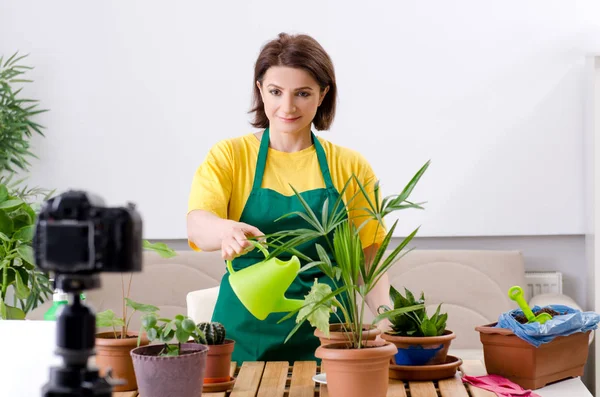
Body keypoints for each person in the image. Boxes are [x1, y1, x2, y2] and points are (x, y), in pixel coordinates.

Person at [187, 32, 391, 364]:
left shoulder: (349, 166)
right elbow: (197, 224)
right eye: (276, 92)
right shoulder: (231, 155)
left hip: (329, 336)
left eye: (303, 93)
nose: (287, 107)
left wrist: (386, 318)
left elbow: (368, 257)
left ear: (323, 94)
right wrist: (226, 231)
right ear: (259, 90)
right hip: (244, 338)